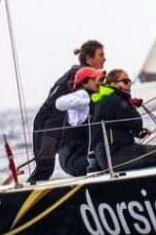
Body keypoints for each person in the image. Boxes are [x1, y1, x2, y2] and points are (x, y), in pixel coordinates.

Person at [29, 40, 105, 183]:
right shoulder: (78, 75)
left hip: (64, 126)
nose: (104, 58)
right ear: (89, 58)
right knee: (44, 168)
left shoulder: (89, 78)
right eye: (101, 55)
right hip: (48, 124)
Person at [91, 69, 156, 172]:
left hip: (110, 156)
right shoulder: (115, 100)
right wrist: (129, 103)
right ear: (113, 84)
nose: (129, 85)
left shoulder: (106, 100)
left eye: (130, 81)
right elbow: (137, 122)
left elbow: (119, 127)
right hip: (116, 155)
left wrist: (137, 133)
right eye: (125, 81)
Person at [54, 66, 104, 177]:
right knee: (109, 161)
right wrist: (87, 101)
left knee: (108, 159)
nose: (100, 82)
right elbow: (59, 103)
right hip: (72, 158)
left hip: (82, 156)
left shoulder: (95, 97)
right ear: (85, 83)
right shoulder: (83, 94)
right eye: (96, 79)